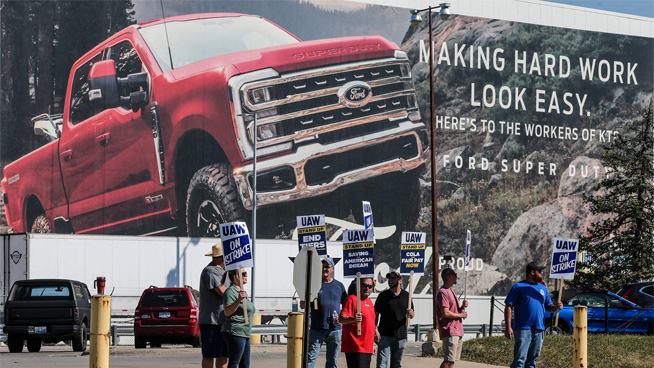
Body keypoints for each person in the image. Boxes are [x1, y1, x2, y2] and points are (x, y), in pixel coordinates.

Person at [504, 262, 563, 368]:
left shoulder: (543, 288)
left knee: (532, 362)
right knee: (519, 361)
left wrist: (556, 307)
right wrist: (508, 327)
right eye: (539, 271)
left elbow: (548, 307)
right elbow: (508, 306)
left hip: (539, 329)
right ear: (532, 272)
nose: (542, 273)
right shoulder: (518, 287)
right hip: (523, 329)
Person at [300, 256, 348, 368]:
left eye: (327, 266)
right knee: (310, 359)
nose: (324, 269)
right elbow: (302, 306)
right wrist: (309, 297)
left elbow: (346, 305)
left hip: (334, 329)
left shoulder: (339, 285)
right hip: (317, 329)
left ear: (332, 269)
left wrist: (342, 317)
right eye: (322, 266)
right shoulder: (313, 285)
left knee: (332, 361)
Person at [374, 271, 415, 368]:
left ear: (400, 281)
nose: (390, 280)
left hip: (400, 335)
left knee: (396, 364)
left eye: (393, 278)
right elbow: (375, 314)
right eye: (389, 279)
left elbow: (412, 314)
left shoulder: (406, 296)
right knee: (381, 364)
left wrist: (411, 313)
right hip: (384, 335)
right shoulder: (383, 296)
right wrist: (375, 330)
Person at [199, 242, 229, 368]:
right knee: (209, 355)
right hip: (211, 322)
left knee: (224, 354)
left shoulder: (225, 272)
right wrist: (238, 294)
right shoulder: (210, 271)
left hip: (223, 321)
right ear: (223, 257)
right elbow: (221, 291)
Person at [340, 277, 378, 368]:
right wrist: (353, 319)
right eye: (364, 285)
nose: (367, 288)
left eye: (369, 286)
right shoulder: (352, 299)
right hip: (356, 347)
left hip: (366, 348)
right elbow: (341, 318)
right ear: (359, 286)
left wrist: (371, 344)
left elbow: (369, 323)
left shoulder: (369, 302)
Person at [435, 268, 469, 368]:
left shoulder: (452, 291)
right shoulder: (443, 292)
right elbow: (445, 313)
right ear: (449, 276)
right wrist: (461, 315)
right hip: (449, 330)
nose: (456, 276)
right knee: (448, 360)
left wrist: (462, 307)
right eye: (454, 274)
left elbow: (455, 311)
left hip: (457, 330)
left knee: (452, 361)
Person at [222, 269, 255, 368]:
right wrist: (239, 300)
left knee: (245, 365)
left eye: (246, 273)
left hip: (244, 332)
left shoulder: (240, 291)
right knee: (234, 363)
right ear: (236, 277)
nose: (246, 275)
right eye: (243, 274)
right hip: (236, 331)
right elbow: (227, 311)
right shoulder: (231, 291)